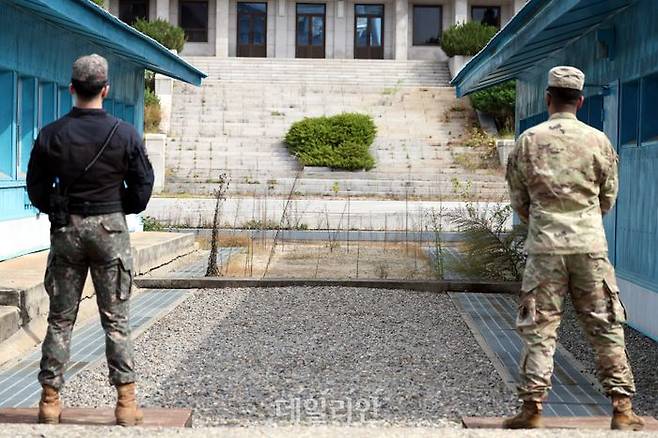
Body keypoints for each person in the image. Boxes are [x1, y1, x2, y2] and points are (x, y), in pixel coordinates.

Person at [504, 66, 644, 431]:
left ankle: (532, 409)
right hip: (589, 247)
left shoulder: (528, 141)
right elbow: (608, 197)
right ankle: (623, 410)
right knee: (605, 326)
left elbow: (519, 200)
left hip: (545, 247)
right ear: (580, 101)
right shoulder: (598, 141)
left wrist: (543, 219)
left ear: (548, 99)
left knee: (539, 327)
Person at [26, 54, 154, 426]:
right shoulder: (125, 133)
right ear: (105, 89)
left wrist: (59, 209)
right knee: (116, 322)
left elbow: (36, 188)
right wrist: (116, 206)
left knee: (60, 320)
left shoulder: (51, 134)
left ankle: (50, 401)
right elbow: (142, 191)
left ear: (71, 89)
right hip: (110, 232)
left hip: (66, 232)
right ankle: (126, 404)